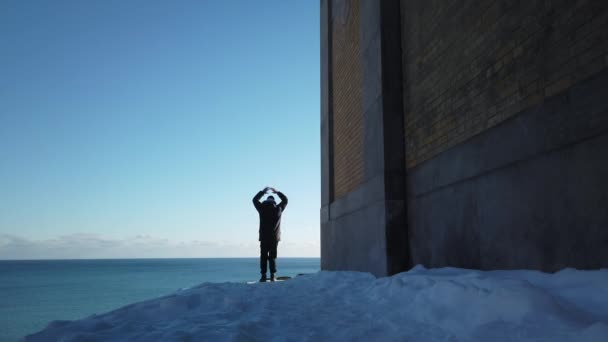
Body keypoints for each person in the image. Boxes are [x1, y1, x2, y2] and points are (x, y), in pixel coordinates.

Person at [252, 187, 288, 282]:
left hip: (263, 237)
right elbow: (285, 200)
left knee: (263, 256)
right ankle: (273, 275)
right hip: (274, 238)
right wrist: (277, 192)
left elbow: (254, 200)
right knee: (272, 257)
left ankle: (263, 276)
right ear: (274, 201)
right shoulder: (278, 209)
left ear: (267, 200)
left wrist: (263, 192)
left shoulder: (262, 208)